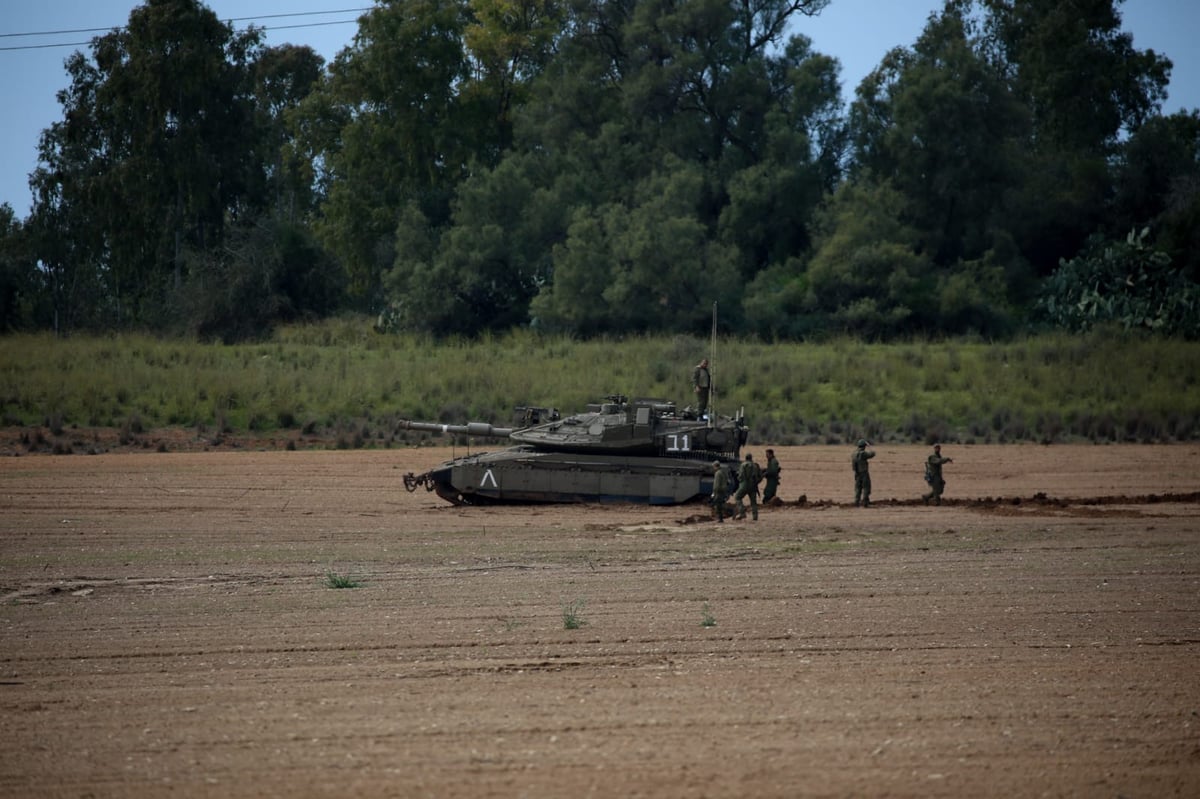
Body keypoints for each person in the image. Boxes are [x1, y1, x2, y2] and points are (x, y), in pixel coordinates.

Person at [734, 453, 761, 521]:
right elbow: (760, 476)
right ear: (751, 458)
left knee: (737, 497)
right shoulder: (756, 465)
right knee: (753, 502)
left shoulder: (743, 465)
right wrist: (756, 482)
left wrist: (739, 479)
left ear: (746, 458)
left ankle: (742, 513)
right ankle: (755, 517)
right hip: (753, 486)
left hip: (744, 485)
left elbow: (741, 475)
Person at [852, 439, 875, 507]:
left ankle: (856, 502)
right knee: (866, 488)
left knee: (858, 489)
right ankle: (865, 503)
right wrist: (870, 446)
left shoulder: (854, 454)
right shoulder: (863, 453)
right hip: (864, 473)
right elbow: (872, 454)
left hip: (857, 473)